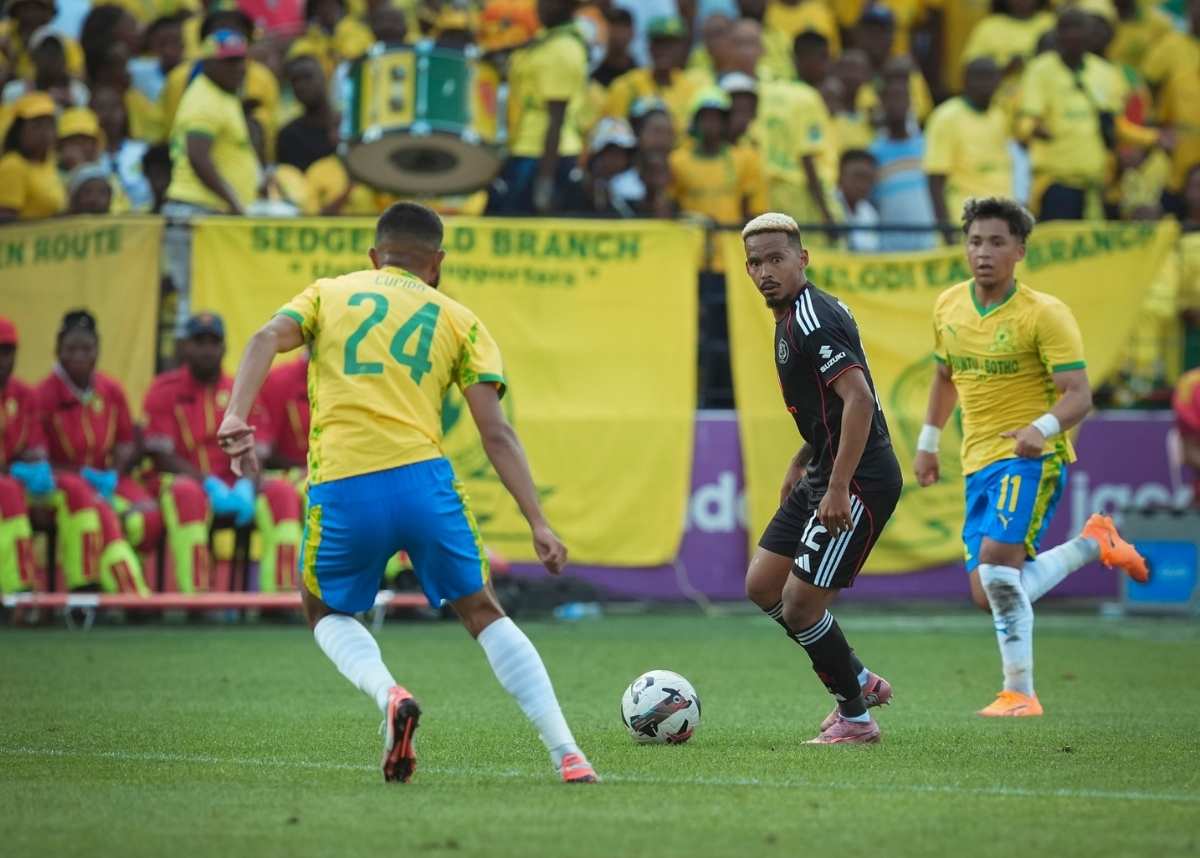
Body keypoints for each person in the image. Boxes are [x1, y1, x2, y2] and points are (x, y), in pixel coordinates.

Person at [215, 202, 598, 784]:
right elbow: (495, 432)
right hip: (423, 481)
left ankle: (389, 693)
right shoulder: (459, 319)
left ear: (375, 256)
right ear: (437, 263)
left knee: (322, 609)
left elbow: (266, 336)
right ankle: (568, 753)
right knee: (482, 610)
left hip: (344, 481)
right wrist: (538, 522)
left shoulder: (329, 293)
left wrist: (235, 415)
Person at [914, 196, 1149, 717]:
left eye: (997, 242)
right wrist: (928, 443)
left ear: (1019, 250)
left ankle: (1019, 692)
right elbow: (944, 376)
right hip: (976, 461)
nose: (983, 252)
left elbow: (1079, 393)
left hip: (1031, 459)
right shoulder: (949, 305)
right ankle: (1094, 542)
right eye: (975, 241)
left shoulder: (1044, 314)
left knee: (999, 570)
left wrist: (1040, 430)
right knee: (988, 591)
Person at [740, 212, 902, 745]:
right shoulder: (791, 316)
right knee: (763, 585)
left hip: (858, 478)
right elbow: (830, 406)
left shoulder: (814, 318)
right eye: (756, 263)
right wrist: (804, 459)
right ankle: (857, 679)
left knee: (802, 603)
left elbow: (859, 400)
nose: (765, 271)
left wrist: (836, 487)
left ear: (802, 259)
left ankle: (856, 718)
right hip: (824, 467)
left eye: (776, 259)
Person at [142, 313, 303, 594]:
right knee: (186, 494)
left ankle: (281, 595)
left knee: (283, 492)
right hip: (185, 485)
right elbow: (161, 457)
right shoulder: (163, 390)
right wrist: (207, 482)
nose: (206, 350)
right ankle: (200, 598)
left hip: (235, 485)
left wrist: (247, 484)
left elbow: (258, 450)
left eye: (213, 342)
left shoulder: (239, 390)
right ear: (184, 347)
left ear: (224, 348)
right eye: (198, 342)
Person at [35, 310, 153, 595]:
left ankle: (120, 577)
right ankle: (125, 594)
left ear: (97, 349)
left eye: (86, 348)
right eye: (71, 349)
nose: (79, 356)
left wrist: (115, 471)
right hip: (63, 481)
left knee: (149, 516)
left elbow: (127, 440)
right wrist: (84, 478)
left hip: (107, 476)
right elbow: (38, 458)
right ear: (58, 350)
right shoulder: (43, 394)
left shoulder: (110, 390)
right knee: (99, 512)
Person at [1015, 8, 1118, 220]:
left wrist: (1151, 137)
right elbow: (1025, 120)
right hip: (1057, 184)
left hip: (1095, 184)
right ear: (1057, 33)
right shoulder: (1040, 70)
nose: (1073, 34)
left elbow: (1115, 124)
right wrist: (1032, 128)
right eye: (1067, 28)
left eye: (1079, 28)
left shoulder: (1105, 72)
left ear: (1090, 35)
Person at [487, 0, 587, 214]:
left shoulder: (564, 49)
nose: (540, 7)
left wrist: (545, 182)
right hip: (524, 145)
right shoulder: (545, 40)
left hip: (545, 154)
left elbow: (556, 117)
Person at [923, 57, 1013, 240]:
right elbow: (935, 179)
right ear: (965, 81)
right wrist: (946, 230)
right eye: (979, 77)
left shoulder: (1000, 114)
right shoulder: (946, 117)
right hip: (966, 222)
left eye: (991, 77)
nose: (986, 83)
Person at [0, 318, 43, 595]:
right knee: (8, 491)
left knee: (78, 493)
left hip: (17, 482)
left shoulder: (25, 394)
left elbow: (36, 450)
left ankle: (87, 591)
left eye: (7, 351)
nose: (2, 359)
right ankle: (20, 592)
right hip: (9, 487)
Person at [869, 76, 935, 251]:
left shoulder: (928, 146)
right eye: (890, 98)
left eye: (901, 97)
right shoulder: (874, 152)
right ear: (881, 104)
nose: (895, 103)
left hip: (928, 244)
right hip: (891, 248)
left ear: (910, 103)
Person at [605, 16, 698, 139]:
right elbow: (613, 135)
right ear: (649, 46)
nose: (664, 51)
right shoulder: (626, 86)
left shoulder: (692, 86)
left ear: (681, 48)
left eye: (670, 44)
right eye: (659, 43)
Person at [0, 91, 65, 222]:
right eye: (37, 126)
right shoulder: (12, 166)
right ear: (19, 131)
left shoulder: (50, 161)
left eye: (49, 125)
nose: (45, 132)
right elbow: (6, 221)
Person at [276, 51, 336, 172]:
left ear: (324, 78)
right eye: (295, 81)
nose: (300, 86)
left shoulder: (348, 125)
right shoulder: (289, 137)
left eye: (307, 77)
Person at [836, 148, 880, 252]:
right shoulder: (827, 208)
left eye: (869, 179)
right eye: (858, 176)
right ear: (840, 175)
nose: (863, 185)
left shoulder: (870, 213)